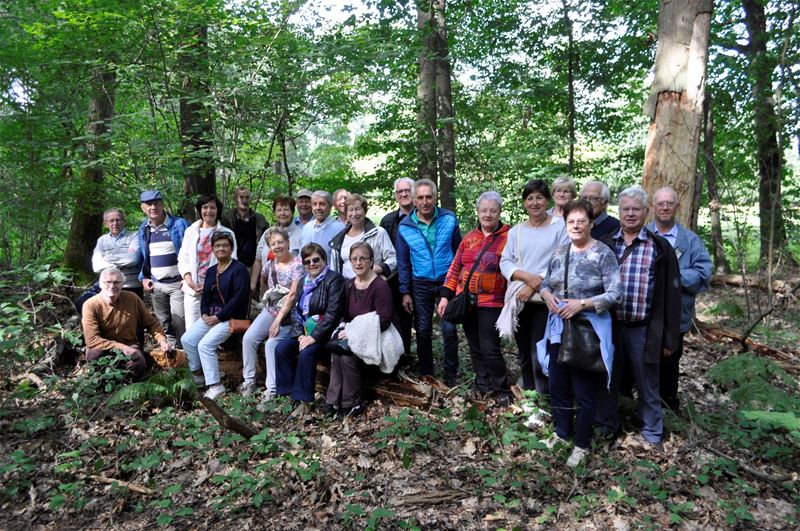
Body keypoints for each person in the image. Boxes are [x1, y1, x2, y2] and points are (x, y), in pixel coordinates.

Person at [595, 186, 681, 451]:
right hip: (610, 327)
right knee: (608, 380)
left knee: (648, 382)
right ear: (618, 212)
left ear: (646, 212)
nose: (630, 214)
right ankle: (606, 427)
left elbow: (671, 296)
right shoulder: (606, 244)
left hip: (644, 329)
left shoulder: (660, 247)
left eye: (636, 209)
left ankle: (653, 433)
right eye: (625, 209)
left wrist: (669, 336)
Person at [538, 199, 622, 467]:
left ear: (591, 224)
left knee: (584, 391)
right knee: (558, 385)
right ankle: (562, 433)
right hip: (558, 329)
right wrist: (547, 295)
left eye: (581, 221)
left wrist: (582, 304)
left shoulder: (603, 253)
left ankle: (582, 443)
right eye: (571, 222)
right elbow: (544, 282)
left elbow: (615, 293)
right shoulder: (560, 252)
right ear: (565, 225)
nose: (576, 226)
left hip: (587, 330)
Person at [437, 191, 512, 404]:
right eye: (484, 210)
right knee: (475, 347)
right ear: (477, 212)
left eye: (493, 210)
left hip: (493, 303)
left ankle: (502, 391)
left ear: (499, 212)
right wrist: (445, 296)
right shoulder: (469, 238)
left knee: (490, 348)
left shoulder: (510, 238)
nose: (488, 214)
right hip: (467, 301)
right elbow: (455, 268)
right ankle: (483, 386)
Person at [499, 179, 568, 394]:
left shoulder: (560, 228)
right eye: (530, 198)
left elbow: (561, 260)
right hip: (519, 298)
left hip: (544, 299)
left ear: (547, 200)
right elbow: (505, 261)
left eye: (539, 197)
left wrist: (535, 283)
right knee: (522, 349)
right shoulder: (516, 231)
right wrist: (526, 279)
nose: (535, 202)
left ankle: (542, 394)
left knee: (539, 349)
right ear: (524, 203)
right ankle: (528, 393)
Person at [646, 186, 712, 411]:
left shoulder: (690, 240)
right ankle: (639, 406)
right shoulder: (642, 235)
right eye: (660, 203)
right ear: (652, 207)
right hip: (643, 315)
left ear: (677, 207)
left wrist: (673, 277)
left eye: (669, 203)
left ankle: (667, 407)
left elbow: (703, 274)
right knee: (640, 361)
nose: (664, 207)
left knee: (669, 361)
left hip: (675, 317)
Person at [396, 178, 462, 386]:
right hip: (420, 283)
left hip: (447, 280)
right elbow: (403, 262)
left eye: (429, 197)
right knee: (423, 330)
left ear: (435, 198)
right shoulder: (405, 226)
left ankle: (451, 375)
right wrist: (405, 291)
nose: (425, 201)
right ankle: (427, 373)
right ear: (414, 200)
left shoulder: (449, 219)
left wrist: (458, 283)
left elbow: (460, 253)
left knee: (449, 329)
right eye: (420, 197)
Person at [325, 242, 398, 417]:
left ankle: (353, 403)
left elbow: (384, 320)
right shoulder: (349, 285)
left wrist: (354, 333)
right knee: (337, 353)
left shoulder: (380, 286)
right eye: (354, 259)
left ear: (371, 261)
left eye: (362, 259)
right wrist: (344, 330)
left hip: (377, 338)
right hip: (353, 335)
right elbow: (343, 315)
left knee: (348, 357)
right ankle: (334, 401)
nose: (358, 263)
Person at [181, 232, 250, 400]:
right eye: (217, 246)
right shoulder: (212, 270)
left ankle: (216, 386)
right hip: (210, 316)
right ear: (213, 249)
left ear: (231, 248)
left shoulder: (239, 269)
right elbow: (206, 296)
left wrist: (219, 317)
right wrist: (204, 313)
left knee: (205, 345)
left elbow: (239, 299)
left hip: (232, 318)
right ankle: (199, 376)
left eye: (225, 245)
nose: (221, 248)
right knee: (187, 339)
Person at [274, 243, 346, 403]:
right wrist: (300, 334)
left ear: (324, 260)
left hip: (326, 332)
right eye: (307, 262)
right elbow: (295, 311)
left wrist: (312, 337)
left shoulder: (334, 280)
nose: (312, 264)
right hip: (304, 331)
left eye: (315, 260)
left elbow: (332, 314)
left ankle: (303, 400)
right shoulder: (302, 282)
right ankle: (285, 395)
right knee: (281, 349)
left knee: (307, 353)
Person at [240, 227, 304, 403]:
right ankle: (249, 380)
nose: (277, 246)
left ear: (288, 243)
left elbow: (292, 295)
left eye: (280, 242)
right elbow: (263, 281)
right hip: (272, 310)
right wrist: (265, 299)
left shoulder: (297, 265)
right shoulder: (270, 265)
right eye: (273, 244)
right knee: (249, 338)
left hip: (290, 315)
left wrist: (276, 321)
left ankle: (272, 389)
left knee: (271, 344)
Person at [82, 268, 172, 381]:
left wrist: (162, 340)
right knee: (93, 355)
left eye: (116, 282)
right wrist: (122, 348)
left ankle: (128, 387)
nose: (112, 286)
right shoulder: (90, 305)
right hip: (103, 347)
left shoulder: (132, 298)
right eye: (108, 282)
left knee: (138, 363)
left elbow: (151, 323)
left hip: (130, 344)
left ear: (122, 284)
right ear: (100, 284)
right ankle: (102, 384)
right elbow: (92, 340)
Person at [138, 190, 190, 347]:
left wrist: (187, 278)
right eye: (149, 204)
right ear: (143, 208)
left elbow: (190, 252)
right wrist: (144, 277)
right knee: (163, 321)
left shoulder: (179, 224)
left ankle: (185, 353)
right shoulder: (144, 229)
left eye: (156, 203)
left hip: (177, 283)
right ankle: (171, 350)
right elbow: (144, 256)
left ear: (162, 204)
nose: (153, 207)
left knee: (180, 320)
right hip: (157, 284)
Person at [178, 194, 237, 330]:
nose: (208, 211)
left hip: (216, 291)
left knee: (211, 330)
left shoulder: (227, 233)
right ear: (200, 210)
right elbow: (183, 258)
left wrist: (213, 285)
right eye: (205, 207)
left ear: (218, 210)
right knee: (192, 330)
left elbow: (232, 263)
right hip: (193, 289)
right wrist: (190, 282)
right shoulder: (191, 231)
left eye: (212, 208)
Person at [380, 177, 415, 356]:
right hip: (395, 281)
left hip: (421, 278)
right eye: (399, 192)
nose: (403, 194)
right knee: (399, 321)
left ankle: (426, 368)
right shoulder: (388, 221)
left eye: (407, 190)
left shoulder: (424, 216)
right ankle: (402, 359)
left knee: (423, 326)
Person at [329, 193, 396, 279]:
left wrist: (379, 268)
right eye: (350, 210)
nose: (354, 213)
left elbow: (393, 259)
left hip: (372, 285)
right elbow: (334, 269)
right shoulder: (339, 239)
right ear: (346, 213)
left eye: (358, 209)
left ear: (365, 211)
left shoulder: (378, 233)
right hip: (347, 287)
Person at [251, 195, 303, 295]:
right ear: (274, 212)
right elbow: (258, 261)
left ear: (292, 212)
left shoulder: (301, 234)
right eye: (279, 210)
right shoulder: (268, 233)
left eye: (286, 210)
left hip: (291, 292)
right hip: (268, 289)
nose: (282, 213)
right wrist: (252, 285)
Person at [92, 208, 143, 298]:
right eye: (111, 221)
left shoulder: (134, 236)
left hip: (131, 285)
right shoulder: (102, 240)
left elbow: (133, 259)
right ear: (105, 223)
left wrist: (107, 258)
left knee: (132, 311)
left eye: (118, 220)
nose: (115, 223)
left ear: (124, 221)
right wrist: (123, 260)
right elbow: (96, 266)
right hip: (108, 287)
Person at [221, 186, 268, 272]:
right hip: (232, 265)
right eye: (241, 197)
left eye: (247, 197)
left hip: (254, 266)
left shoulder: (260, 220)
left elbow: (266, 243)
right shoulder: (226, 219)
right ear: (235, 199)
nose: (244, 200)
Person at [299, 190, 345, 258]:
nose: (318, 208)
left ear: (330, 207)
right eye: (315, 204)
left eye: (322, 204)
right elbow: (300, 255)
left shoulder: (340, 228)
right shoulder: (306, 228)